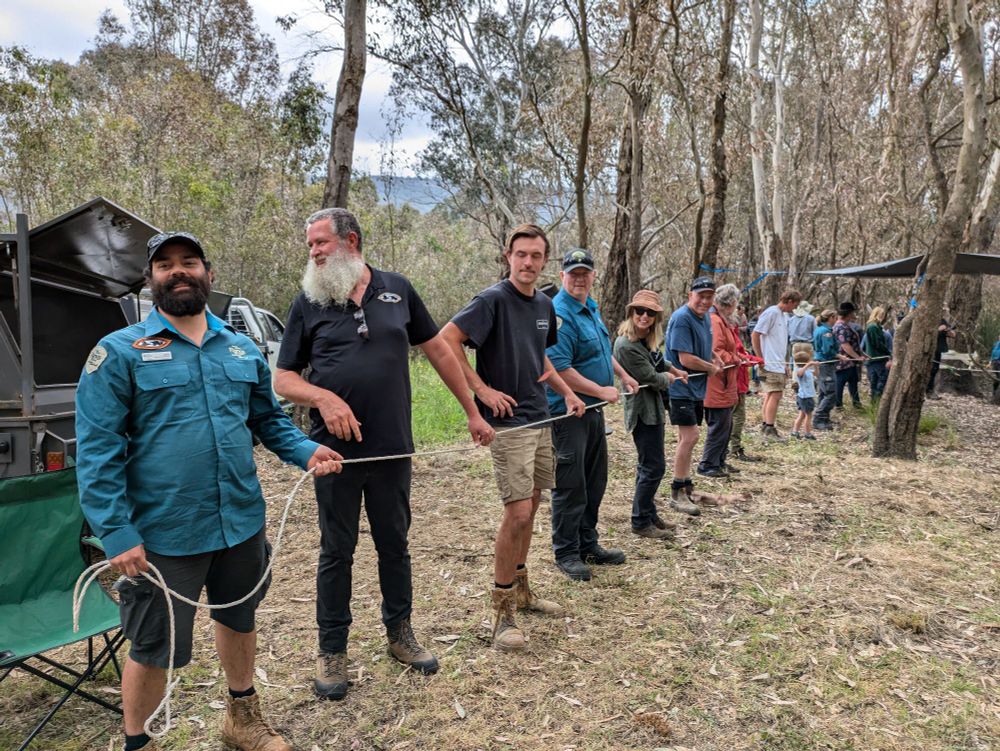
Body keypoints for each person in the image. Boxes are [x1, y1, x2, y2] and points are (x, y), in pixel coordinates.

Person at [76, 232, 344, 751]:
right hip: (161, 535)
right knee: (155, 646)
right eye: (165, 265)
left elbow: (269, 421)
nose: (178, 271)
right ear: (150, 280)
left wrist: (306, 451)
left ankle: (242, 720)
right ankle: (139, 743)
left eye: (189, 262)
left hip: (240, 520)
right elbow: (96, 453)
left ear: (209, 274)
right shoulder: (118, 354)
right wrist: (116, 531)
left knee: (239, 618)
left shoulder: (241, 347)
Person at [273, 208, 495, 700]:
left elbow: (438, 349)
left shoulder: (398, 289)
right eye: (310, 245)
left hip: (393, 449)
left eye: (320, 243)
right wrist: (324, 399)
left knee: (395, 543)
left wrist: (473, 411)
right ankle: (332, 651)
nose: (313, 252)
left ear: (350, 241)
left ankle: (400, 633)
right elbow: (283, 378)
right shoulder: (308, 302)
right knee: (337, 550)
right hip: (334, 456)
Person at [441, 223, 585, 652]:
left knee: (535, 503)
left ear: (545, 260)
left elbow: (539, 355)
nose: (527, 262)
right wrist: (481, 391)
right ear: (508, 256)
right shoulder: (491, 301)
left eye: (536, 256)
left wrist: (568, 392)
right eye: (520, 254)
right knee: (518, 511)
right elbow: (447, 341)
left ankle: (522, 588)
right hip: (508, 424)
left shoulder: (543, 303)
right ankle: (502, 611)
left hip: (540, 416)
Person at [544, 249, 638, 580]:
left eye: (585, 273)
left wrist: (623, 374)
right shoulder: (558, 314)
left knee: (594, 481)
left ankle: (588, 544)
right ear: (562, 276)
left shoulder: (590, 308)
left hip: (595, 412)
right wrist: (600, 391)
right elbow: (558, 368)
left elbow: (601, 350)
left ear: (593, 276)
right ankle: (566, 552)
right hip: (568, 414)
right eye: (573, 273)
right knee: (571, 484)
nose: (579, 279)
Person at [613, 289, 687, 541]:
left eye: (650, 313)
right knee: (653, 467)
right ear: (631, 313)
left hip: (654, 411)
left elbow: (657, 363)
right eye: (639, 311)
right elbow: (650, 378)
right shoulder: (626, 344)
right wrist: (667, 378)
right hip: (642, 413)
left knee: (648, 465)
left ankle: (649, 513)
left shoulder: (648, 339)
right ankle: (640, 520)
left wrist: (674, 369)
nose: (644, 316)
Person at [664, 277, 724, 517]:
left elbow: (701, 345)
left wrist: (714, 357)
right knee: (690, 436)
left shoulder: (705, 317)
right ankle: (677, 491)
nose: (705, 301)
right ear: (690, 295)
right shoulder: (682, 319)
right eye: (701, 296)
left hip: (697, 388)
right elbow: (685, 359)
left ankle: (687, 484)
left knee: (686, 438)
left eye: (710, 296)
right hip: (681, 387)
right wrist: (709, 368)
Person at [697, 284, 742, 478]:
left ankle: (719, 461)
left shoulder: (722, 320)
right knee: (719, 425)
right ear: (731, 303)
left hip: (726, 382)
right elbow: (715, 351)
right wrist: (734, 358)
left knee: (727, 424)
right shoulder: (715, 321)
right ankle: (708, 464)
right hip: (716, 383)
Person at [751, 288, 803, 438]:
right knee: (776, 394)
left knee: (770, 394)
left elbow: (781, 342)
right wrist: (759, 357)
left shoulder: (783, 316)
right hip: (769, 363)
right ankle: (769, 427)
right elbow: (755, 334)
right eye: (795, 305)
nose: (795, 308)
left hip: (778, 362)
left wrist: (785, 363)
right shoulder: (771, 312)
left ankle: (766, 424)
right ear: (790, 301)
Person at [833, 301, 865, 409]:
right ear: (849, 313)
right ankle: (838, 404)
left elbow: (853, 343)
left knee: (853, 381)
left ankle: (856, 403)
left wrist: (862, 354)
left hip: (851, 361)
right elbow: (845, 345)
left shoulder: (847, 325)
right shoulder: (840, 327)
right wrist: (857, 357)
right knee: (840, 382)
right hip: (844, 361)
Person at [812, 309, 839, 431]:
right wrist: (838, 355)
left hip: (823, 363)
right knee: (830, 392)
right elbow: (828, 349)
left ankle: (824, 417)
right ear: (831, 318)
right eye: (835, 317)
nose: (836, 320)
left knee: (823, 392)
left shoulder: (820, 329)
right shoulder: (826, 332)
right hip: (826, 363)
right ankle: (819, 418)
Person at [863, 306, 892, 402]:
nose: (883, 317)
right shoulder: (873, 327)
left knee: (876, 382)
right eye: (882, 314)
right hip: (876, 358)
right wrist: (888, 353)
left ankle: (875, 403)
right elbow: (877, 343)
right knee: (879, 381)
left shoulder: (877, 327)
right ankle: (876, 402)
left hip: (878, 358)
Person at [926, 310, 956, 399]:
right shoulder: (926, 319)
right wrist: (938, 329)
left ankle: (930, 391)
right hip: (928, 350)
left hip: (938, 350)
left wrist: (948, 331)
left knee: (934, 371)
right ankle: (927, 391)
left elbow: (953, 335)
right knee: (928, 371)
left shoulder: (942, 321)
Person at [790, 351, 818, 440]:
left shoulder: (808, 371)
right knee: (808, 416)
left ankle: (795, 432)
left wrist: (816, 366)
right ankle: (807, 433)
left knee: (802, 414)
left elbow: (816, 374)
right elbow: (800, 373)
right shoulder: (799, 370)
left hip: (807, 396)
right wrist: (808, 364)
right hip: (805, 397)